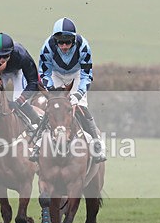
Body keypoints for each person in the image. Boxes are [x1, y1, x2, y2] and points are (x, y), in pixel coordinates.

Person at [31, 17, 106, 163]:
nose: (64, 46)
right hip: (56, 75)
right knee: (53, 107)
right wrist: (52, 90)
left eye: (68, 42)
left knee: (81, 106)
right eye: (60, 42)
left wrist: (78, 94)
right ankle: (38, 144)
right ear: (55, 41)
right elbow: (44, 73)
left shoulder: (83, 46)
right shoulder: (47, 47)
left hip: (77, 75)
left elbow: (86, 75)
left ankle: (96, 143)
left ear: (74, 40)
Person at [0, 32, 41, 131]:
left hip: (18, 72)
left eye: (6, 56)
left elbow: (33, 81)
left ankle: (35, 123)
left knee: (17, 98)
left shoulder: (22, 55)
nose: (2, 59)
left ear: (11, 51)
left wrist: (20, 100)